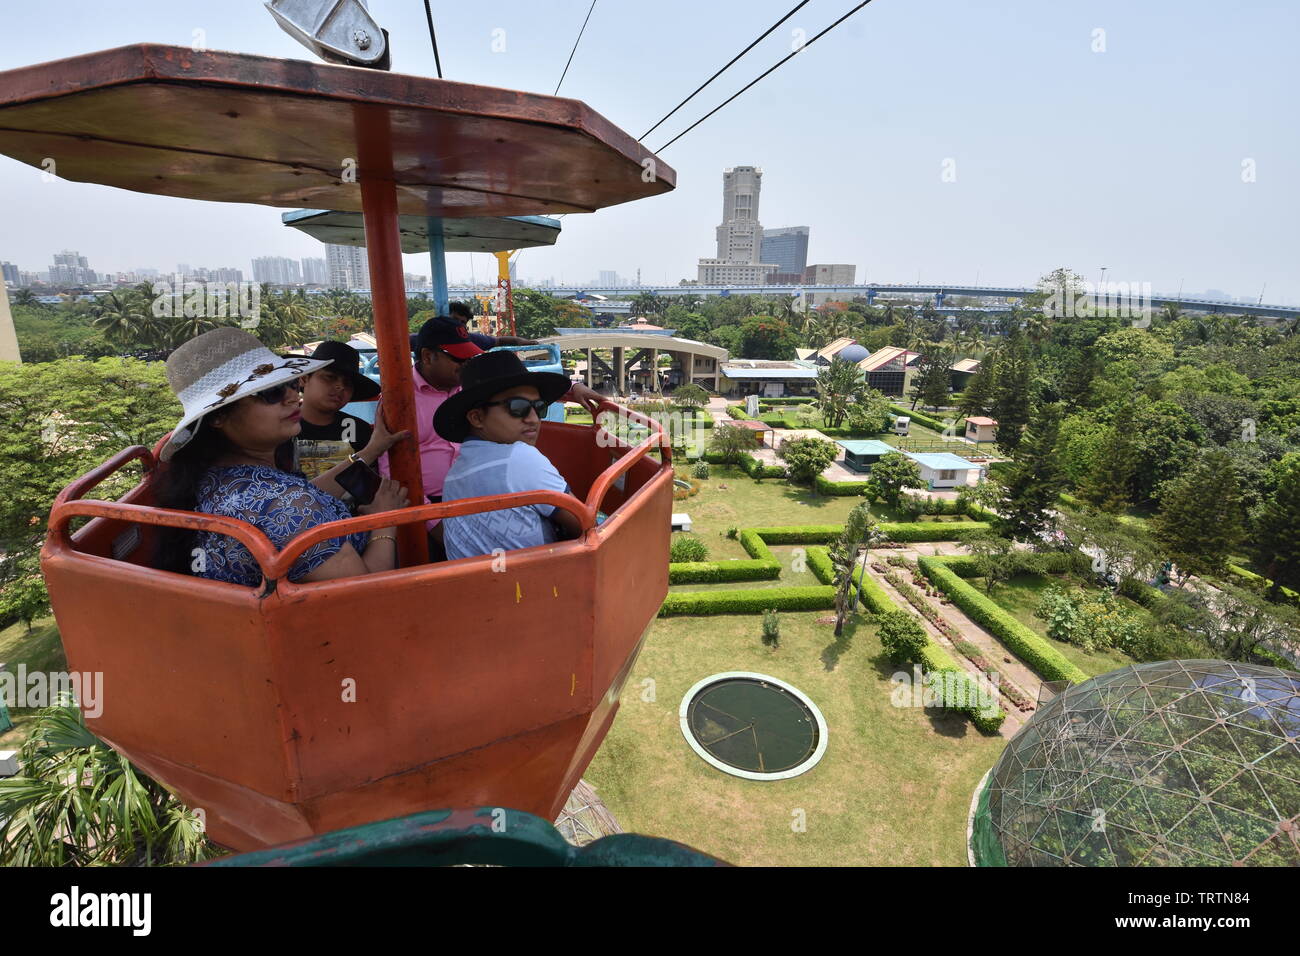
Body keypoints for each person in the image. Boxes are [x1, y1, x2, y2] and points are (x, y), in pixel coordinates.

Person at [154, 328, 410, 586]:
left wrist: (370, 451)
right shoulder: (285, 504)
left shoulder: (214, 478)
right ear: (218, 416)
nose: (291, 397)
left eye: (288, 384)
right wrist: (385, 520)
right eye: (270, 393)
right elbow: (365, 593)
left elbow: (303, 495)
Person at [433, 351, 581, 560]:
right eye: (517, 407)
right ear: (477, 417)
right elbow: (585, 522)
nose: (533, 419)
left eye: (539, 408)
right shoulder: (520, 457)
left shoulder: (453, 477)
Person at [448, 300, 538, 347]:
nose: (458, 324)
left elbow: (498, 340)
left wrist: (519, 341)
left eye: (462, 322)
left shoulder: (470, 338)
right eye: (455, 319)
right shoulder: (435, 336)